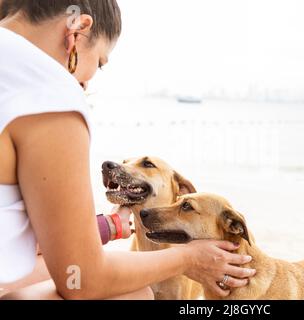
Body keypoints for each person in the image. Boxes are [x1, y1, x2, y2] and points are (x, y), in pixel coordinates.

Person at [0, 0, 255, 300]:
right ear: (77, 32)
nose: (84, 85)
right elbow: (81, 281)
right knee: (133, 294)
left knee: (48, 265)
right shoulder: (49, 93)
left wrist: (109, 227)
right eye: (100, 62)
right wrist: (189, 258)